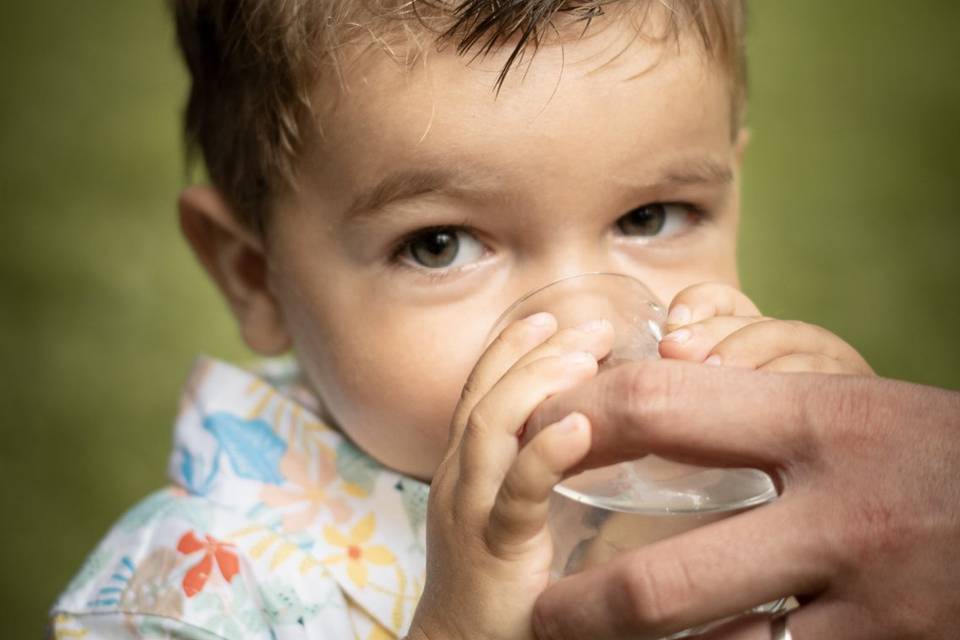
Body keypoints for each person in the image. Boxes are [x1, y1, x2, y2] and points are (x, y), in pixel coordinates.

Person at [46, 1, 957, 638]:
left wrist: (832, 529)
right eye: (439, 243)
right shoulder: (192, 591)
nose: (589, 335)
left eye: (652, 217)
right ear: (254, 276)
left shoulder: (726, 488)